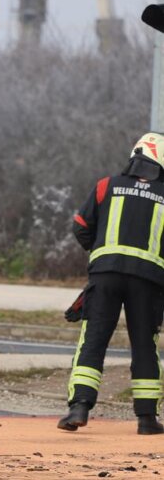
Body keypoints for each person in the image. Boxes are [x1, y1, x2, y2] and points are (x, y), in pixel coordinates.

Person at [59, 132, 164, 435]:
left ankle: (78, 408)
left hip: (105, 276)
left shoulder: (107, 186)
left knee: (93, 339)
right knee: (145, 345)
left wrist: (102, 254)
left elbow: (80, 226)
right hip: (148, 283)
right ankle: (146, 419)